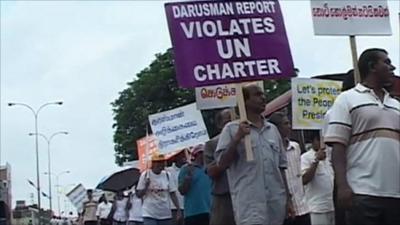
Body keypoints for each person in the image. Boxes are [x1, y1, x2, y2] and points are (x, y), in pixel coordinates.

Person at [324, 48, 400, 225]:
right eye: (387, 63)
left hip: (395, 194)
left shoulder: (396, 105)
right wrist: (342, 186)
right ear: (372, 66)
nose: (393, 67)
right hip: (363, 193)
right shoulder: (347, 99)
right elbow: (338, 147)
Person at [216, 84, 294, 225]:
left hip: (275, 203)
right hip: (250, 206)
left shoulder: (273, 130)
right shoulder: (231, 129)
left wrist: (288, 199)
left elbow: (281, 168)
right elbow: (222, 163)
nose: (263, 98)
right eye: (257, 95)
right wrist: (237, 138)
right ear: (244, 100)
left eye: (263, 94)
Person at [269, 112, 311, 225]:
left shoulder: (295, 147)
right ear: (276, 128)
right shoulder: (271, 150)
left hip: (302, 206)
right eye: (285, 124)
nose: (289, 127)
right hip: (285, 210)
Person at [204, 108, 236, 225]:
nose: (231, 126)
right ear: (219, 125)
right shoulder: (212, 144)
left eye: (235, 121)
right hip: (224, 198)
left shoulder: (247, 141)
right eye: (227, 122)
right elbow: (211, 173)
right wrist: (229, 151)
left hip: (245, 195)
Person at [137, 153, 181, 225]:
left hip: (165, 214)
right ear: (153, 163)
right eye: (158, 162)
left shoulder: (167, 175)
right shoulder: (145, 175)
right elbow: (139, 195)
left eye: (162, 162)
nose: (160, 165)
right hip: (149, 213)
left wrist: (178, 210)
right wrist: (146, 186)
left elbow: (172, 193)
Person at [301, 132, 334, 225]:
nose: (322, 143)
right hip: (317, 208)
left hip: (332, 206)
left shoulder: (329, 156)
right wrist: (316, 160)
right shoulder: (305, 157)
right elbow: (304, 180)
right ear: (313, 141)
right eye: (319, 140)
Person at [178, 144, 212, 225]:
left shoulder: (210, 168)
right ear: (198, 154)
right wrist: (187, 179)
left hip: (210, 211)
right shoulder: (186, 169)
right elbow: (182, 191)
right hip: (192, 213)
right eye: (203, 152)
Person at [165, 150, 185, 225]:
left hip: (186, 205)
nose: (184, 157)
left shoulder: (189, 170)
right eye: (181, 155)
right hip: (172, 207)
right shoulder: (168, 171)